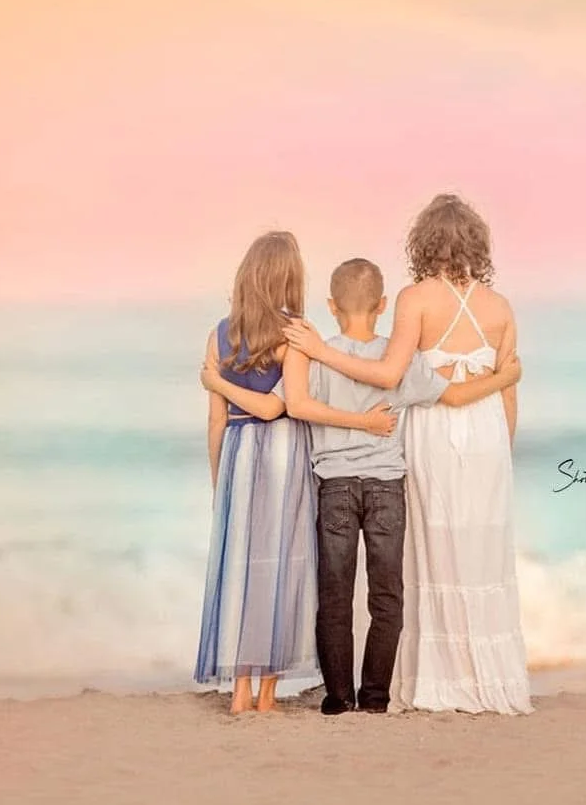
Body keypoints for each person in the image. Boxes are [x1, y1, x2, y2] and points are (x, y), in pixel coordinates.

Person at [204, 257, 522, 715]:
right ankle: (375, 698)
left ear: (332, 306)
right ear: (383, 305)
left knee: (334, 596)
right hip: (386, 484)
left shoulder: (313, 354)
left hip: (334, 484)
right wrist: (503, 378)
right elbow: (453, 396)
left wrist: (218, 384)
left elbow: (292, 405)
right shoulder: (400, 360)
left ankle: (338, 698)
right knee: (386, 596)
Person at [283, 195, 534, 714]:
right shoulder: (501, 307)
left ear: (423, 243)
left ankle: (394, 686)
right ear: (477, 243)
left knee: (420, 556)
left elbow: (384, 375)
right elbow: (501, 393)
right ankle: (473, 679)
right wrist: (503, 439)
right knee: (475, 555)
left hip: (417, 441)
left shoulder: (414, 299)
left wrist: (322, 352)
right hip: (483, 434)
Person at [195, 232, 397, 714]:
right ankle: (266, 694)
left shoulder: (219, 335)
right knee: (281, 564)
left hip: (239, 453)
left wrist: (219, 475)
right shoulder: (296, 334)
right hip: (283, 453)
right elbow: (278, 407)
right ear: (290, 278)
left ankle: (240, 691)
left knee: (242, 566)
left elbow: (217, 419)